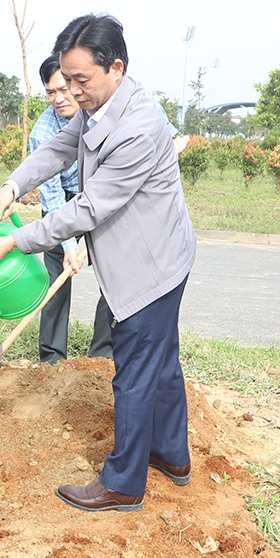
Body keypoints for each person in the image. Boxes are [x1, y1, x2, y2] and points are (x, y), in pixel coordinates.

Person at [0, 13, 196, 513]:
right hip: (158, 250)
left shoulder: (138, 126)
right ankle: (172, 456)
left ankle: (123, 483)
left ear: (115, 67)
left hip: (151, 264)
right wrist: (15, 183)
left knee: (135, 369)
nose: (73, 92)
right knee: (161, 360)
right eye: (67, 79)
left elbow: (90, 207)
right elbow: (59, 148)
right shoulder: (101, 107)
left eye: (81, 80)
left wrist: (19, 241)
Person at [31, 55, 187, 364]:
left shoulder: (129, 109)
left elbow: (167, 141)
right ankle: (51, 357)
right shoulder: (44, 129)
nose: (63, 98)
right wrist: (68, 246)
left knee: (114, 276)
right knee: (57, 274)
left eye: (68, 87)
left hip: (113, 196)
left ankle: (102, 354)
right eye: (52, 93)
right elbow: (51, 198)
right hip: (67, 200)